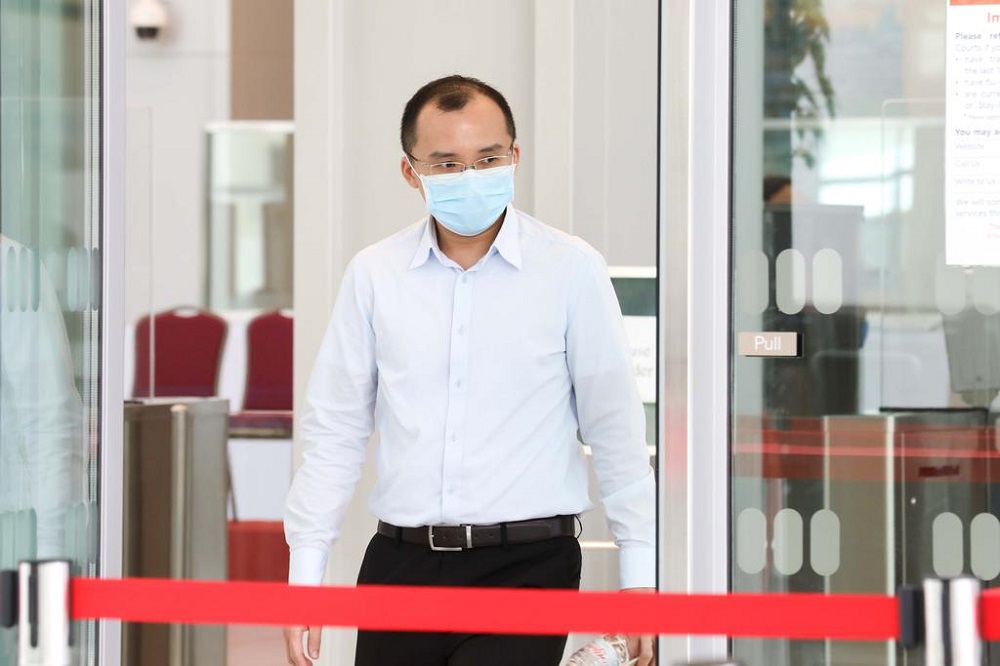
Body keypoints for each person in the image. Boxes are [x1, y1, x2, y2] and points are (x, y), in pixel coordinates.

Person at [283, 75, 656, 666]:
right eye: (446, 163)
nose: (471, 177)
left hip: (528, 566)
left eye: (486, 158)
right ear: (411, 172)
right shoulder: (375, 274)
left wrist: (640, 579)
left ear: (514, 155)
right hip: (400, 565)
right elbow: (334, 433)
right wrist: (305, 576)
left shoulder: (570, 269)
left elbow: (615, 431)